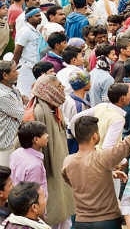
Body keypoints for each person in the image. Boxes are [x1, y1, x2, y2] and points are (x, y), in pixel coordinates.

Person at [62, 94, 130, 229]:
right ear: (95, 136)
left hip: (81, 222)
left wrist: (107, 174)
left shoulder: (68, 162)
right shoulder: (103, 158)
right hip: (107, 221)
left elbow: (76, 181)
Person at [30, 75, 74, 229]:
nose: (62, 89)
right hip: (49, 172)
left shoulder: (54, 108)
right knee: (53, 210)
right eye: (59, 86)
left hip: (60, 166)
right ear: (49, 90)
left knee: (64, 210)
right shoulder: (39, 112)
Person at [10, 122, 48, 199]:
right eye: (44, 134)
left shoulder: (16, 153)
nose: (47, 135)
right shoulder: (35, 166)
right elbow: (33, 195)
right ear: (36, 140)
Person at [13, 7, 44, 97]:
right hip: (26, 68)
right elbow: (18, 50)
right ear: (29, 18)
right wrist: (14, 66)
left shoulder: (35, 30)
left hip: (34, 67)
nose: (40, 18)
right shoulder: (25, 31)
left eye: (40, 15)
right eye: (36, 16)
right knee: (25, 93)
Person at [0, 62, 24, 166]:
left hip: (14, 143)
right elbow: (24, 116)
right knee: (7, 174)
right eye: (14, 71)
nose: (18, 73)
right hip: (6, 147)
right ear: (5, 75)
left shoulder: (14, 89)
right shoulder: (3, 95)